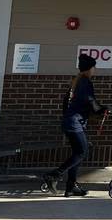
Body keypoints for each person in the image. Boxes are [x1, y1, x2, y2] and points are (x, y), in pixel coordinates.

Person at [44, 53, 107, 197]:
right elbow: (93, 105)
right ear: (89, 69)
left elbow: (66, 102)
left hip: (71, 122)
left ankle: (71, 187)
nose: (94, 70)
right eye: (93, 68)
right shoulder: (85, 82)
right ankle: (54, 175)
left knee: (78, 153)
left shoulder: (76, 81)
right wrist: (105, 108)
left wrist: (69, 116)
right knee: (82, 152)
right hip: (74, 124)